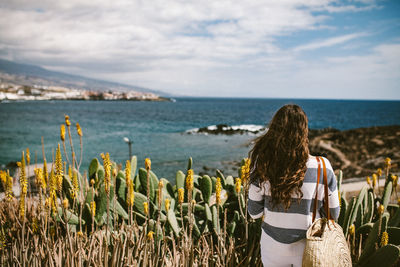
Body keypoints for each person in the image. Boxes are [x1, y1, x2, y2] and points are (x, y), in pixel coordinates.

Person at [247, 104, 340, 267]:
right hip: (310, 248)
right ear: (304, 132)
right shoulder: (322, 166)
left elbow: (254, 213)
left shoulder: (262, 165)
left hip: (272, 248)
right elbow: (333, 214)